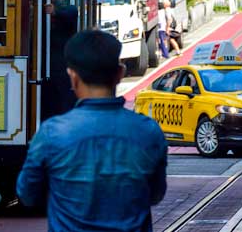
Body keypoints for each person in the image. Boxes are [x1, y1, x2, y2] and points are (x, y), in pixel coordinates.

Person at [16, 30, 168, 231]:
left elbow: (27, 194)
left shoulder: (52, 133)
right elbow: (156, 194)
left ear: (73, 77)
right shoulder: (148, 132)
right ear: (120, 73)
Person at [41, 0, 79, 120]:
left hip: (63, 70)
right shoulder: (42, 13)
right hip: (46, 70)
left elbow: (71, 13)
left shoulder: (69, 11)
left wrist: (54, 12)